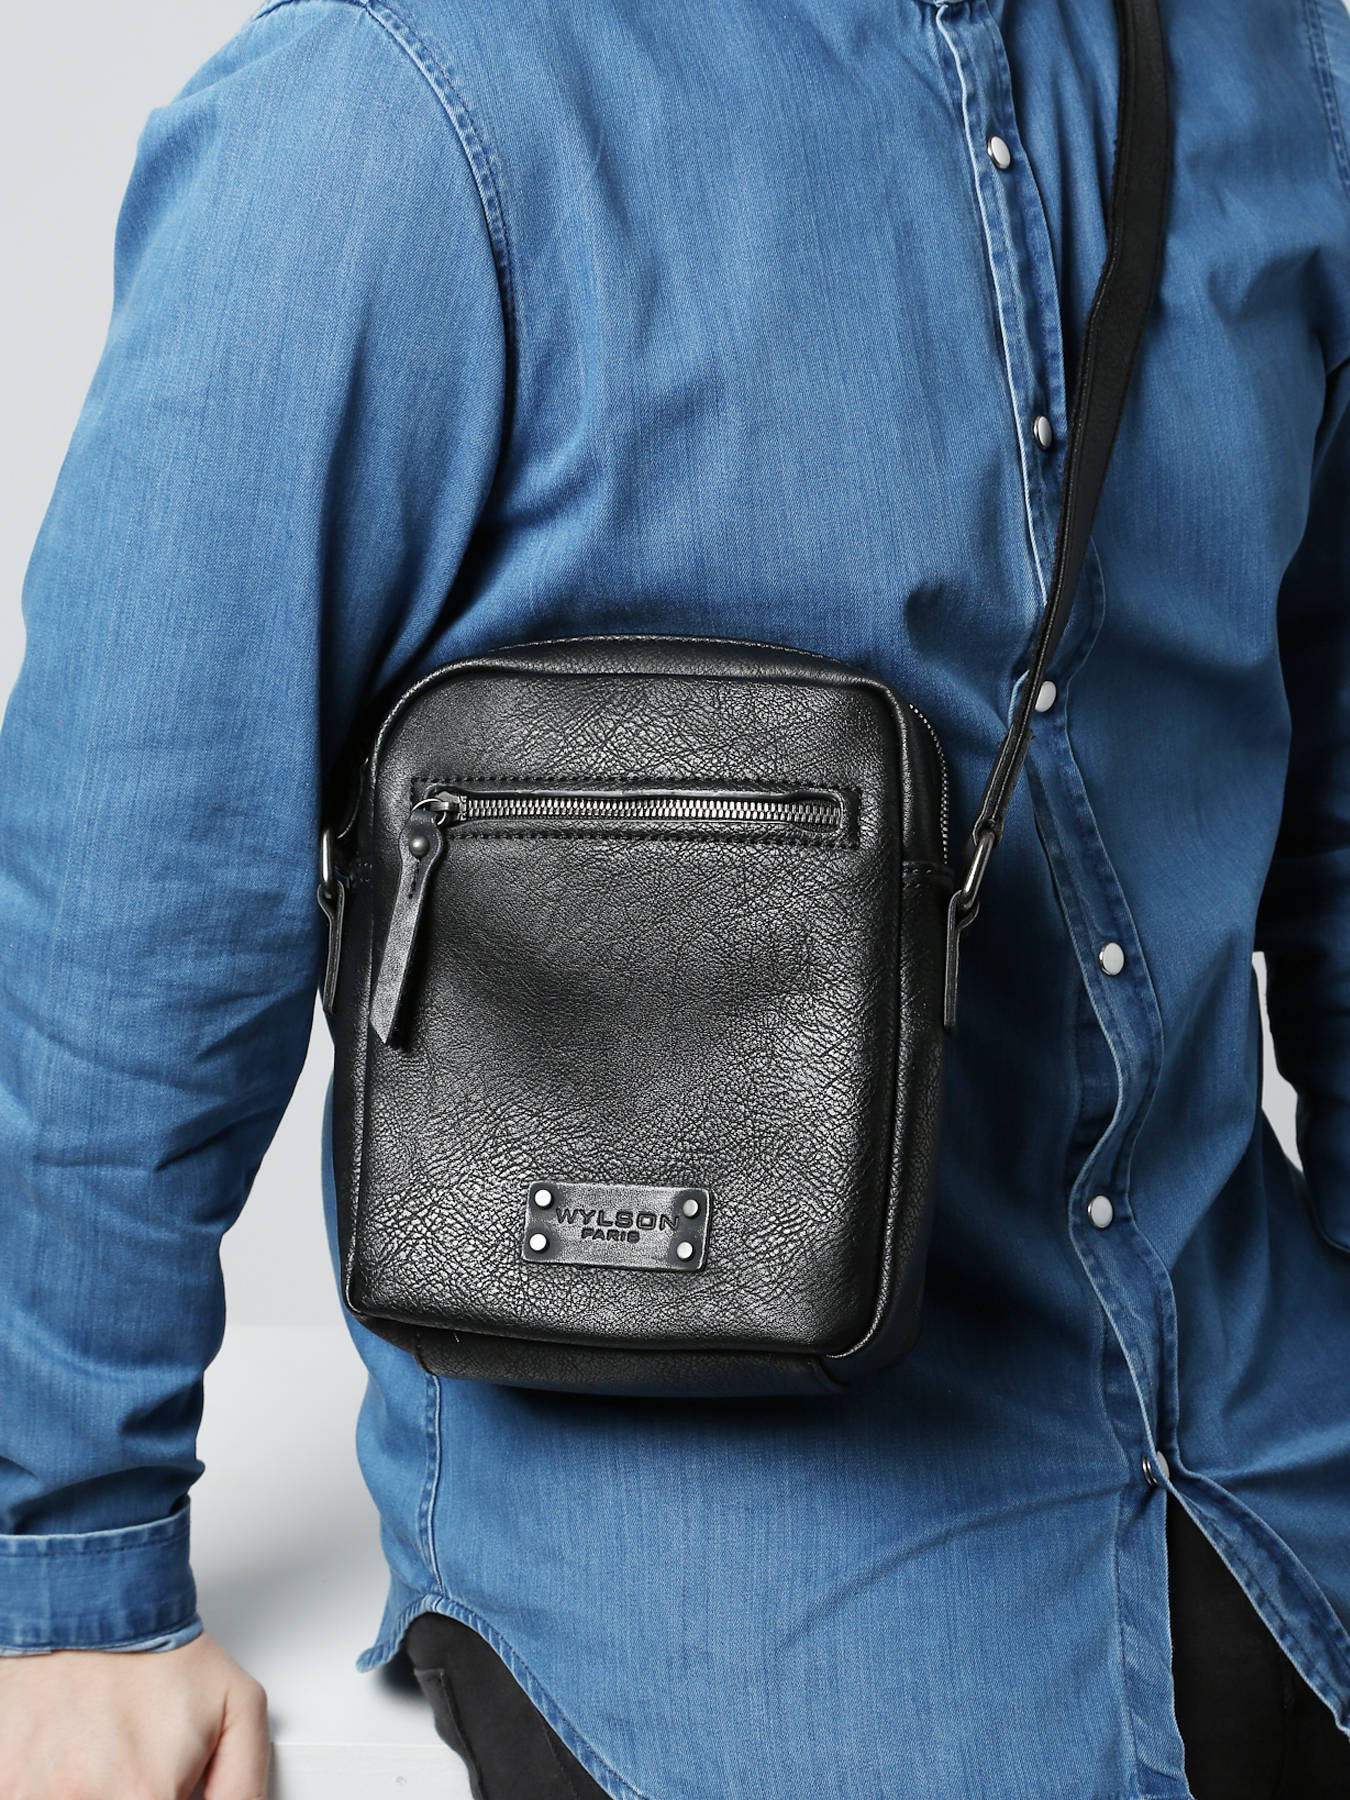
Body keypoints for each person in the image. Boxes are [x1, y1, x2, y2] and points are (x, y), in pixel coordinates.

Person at [2, 0, 1350, 1796]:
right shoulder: (391, 110)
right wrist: (72, 1591)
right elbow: (135, 881)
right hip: (723, 1584)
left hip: (1280, 1451)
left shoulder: (1286, 72)